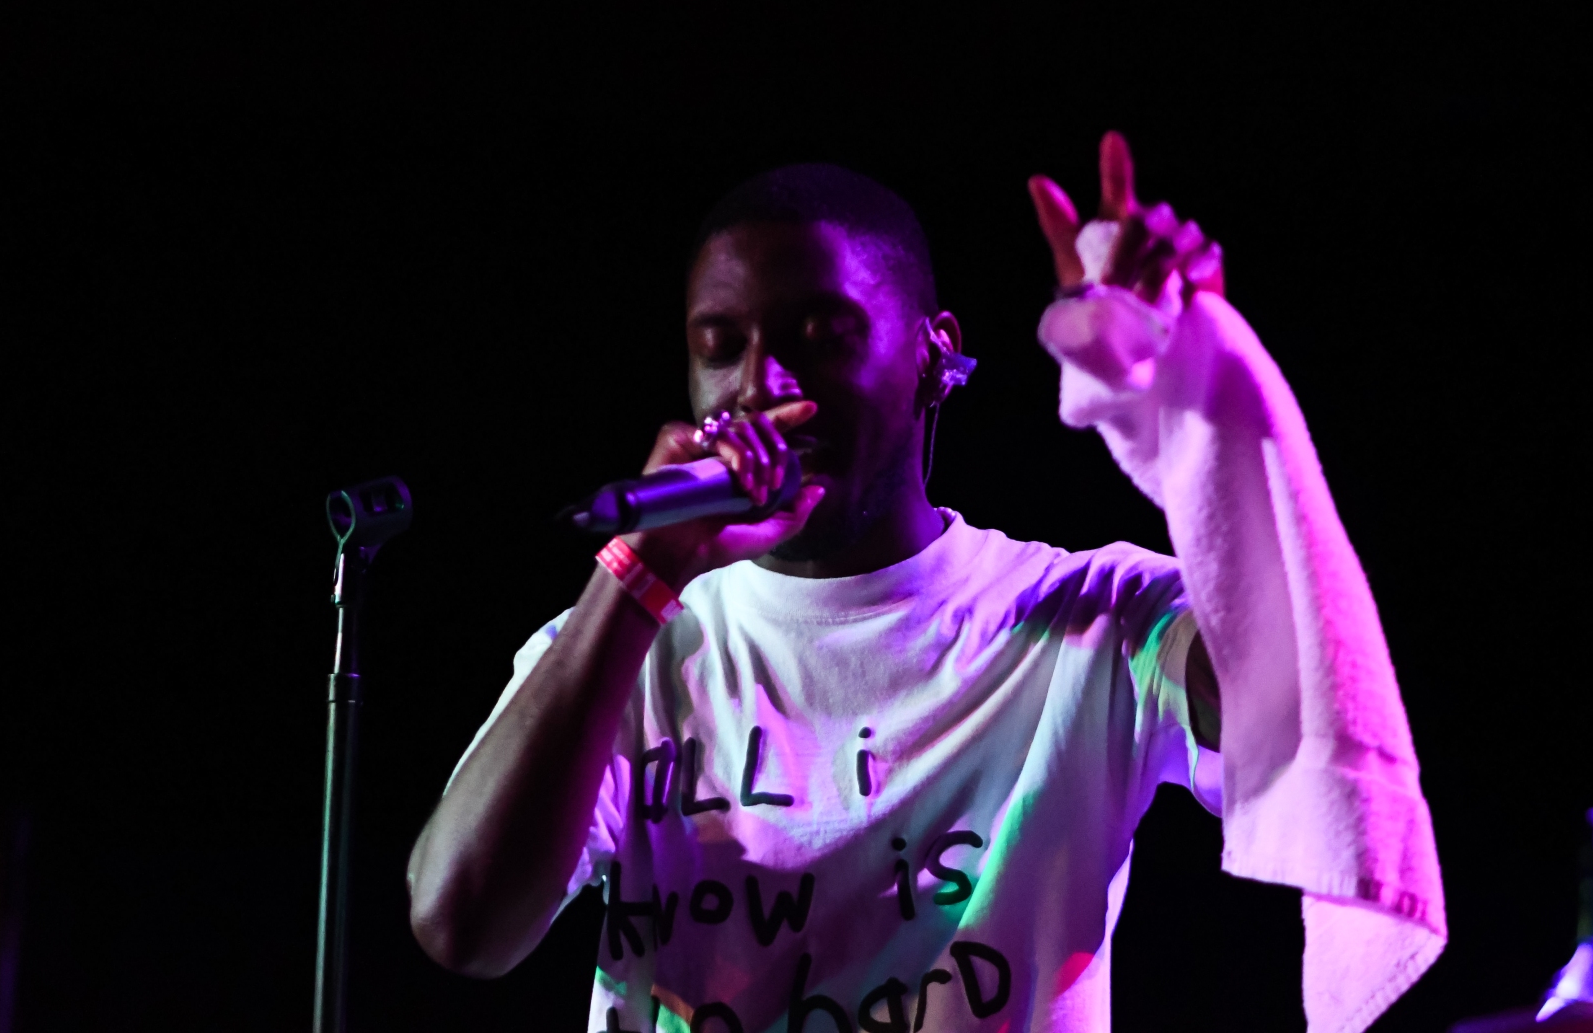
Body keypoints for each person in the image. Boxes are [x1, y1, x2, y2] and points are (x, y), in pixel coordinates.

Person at [406, 134, 1444, 1033]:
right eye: (721, 348)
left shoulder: (1092, 619)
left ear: (933, 355)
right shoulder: (623, 644)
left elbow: (1306, 681)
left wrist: (1191, 386)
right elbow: (461, 925)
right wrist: (638, 578)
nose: (762, 386)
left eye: (822, 336)